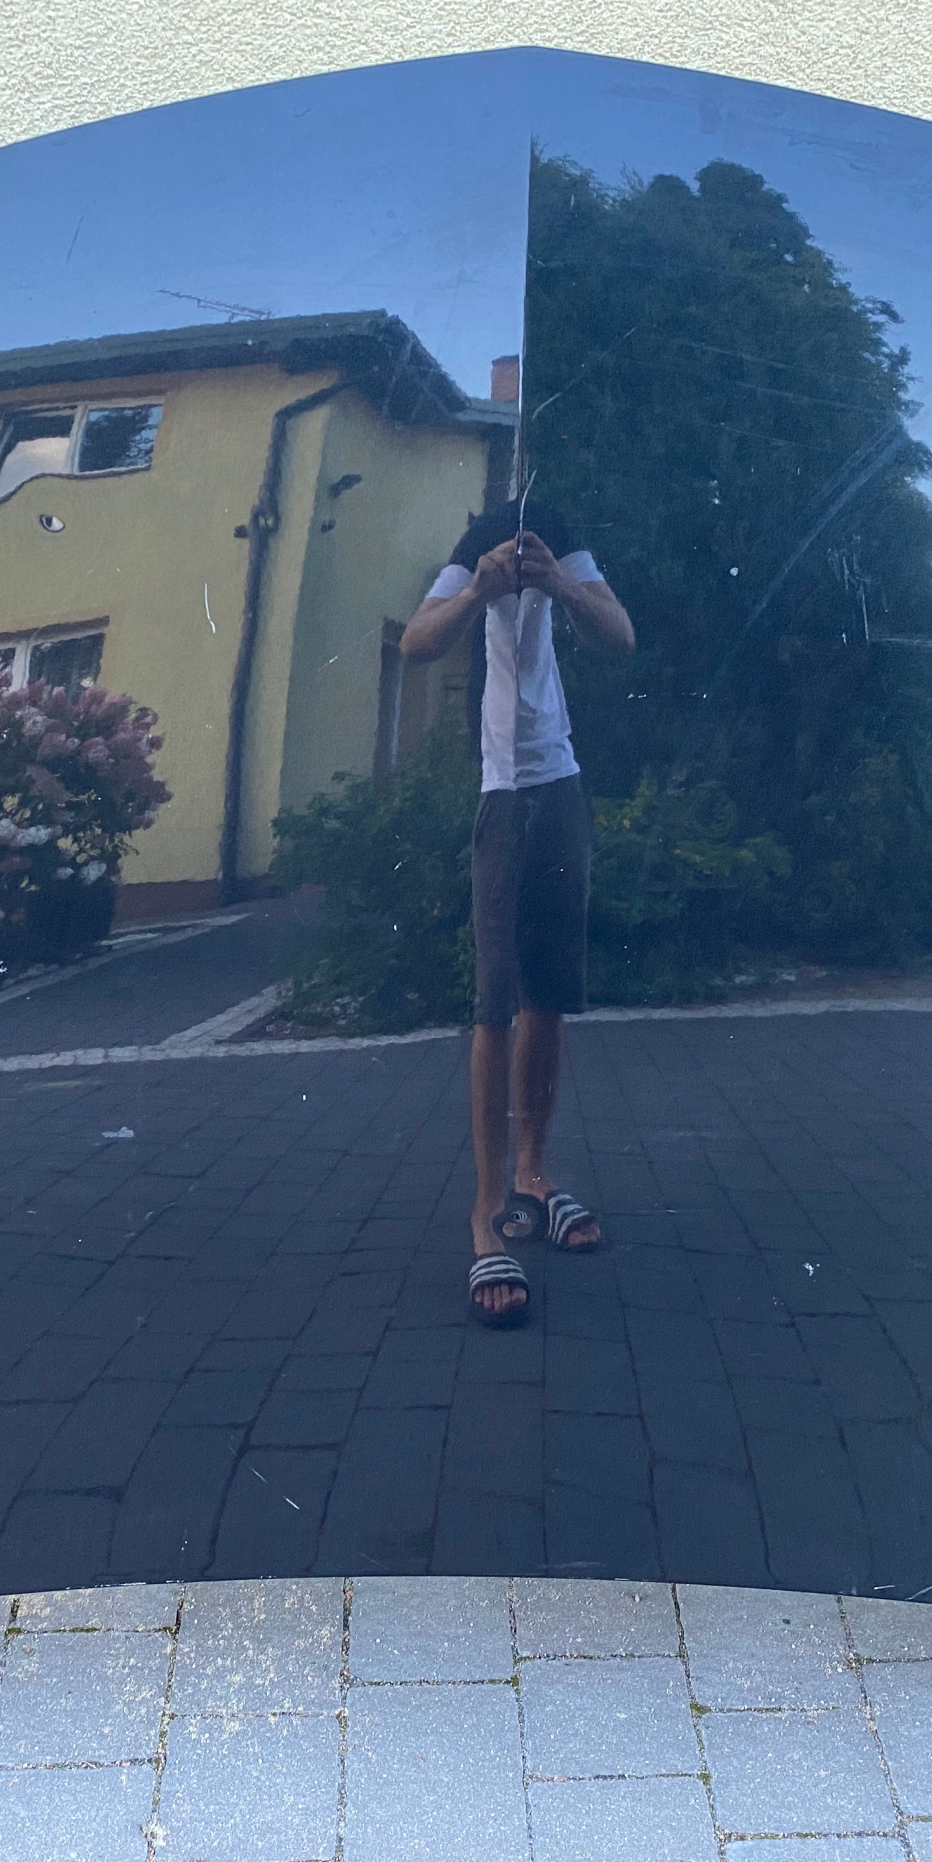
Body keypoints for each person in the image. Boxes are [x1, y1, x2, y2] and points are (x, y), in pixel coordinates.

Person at [400, 498, 635, 1325]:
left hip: (560, 787)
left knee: (549, 995)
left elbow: (620, 637)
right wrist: (477, 591)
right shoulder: (474, 545)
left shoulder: (564, 538)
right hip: (502, 796)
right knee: (494, 1001)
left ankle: (535, 1174)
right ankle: (488, 1211)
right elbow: (415, 643)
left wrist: (561, 585)